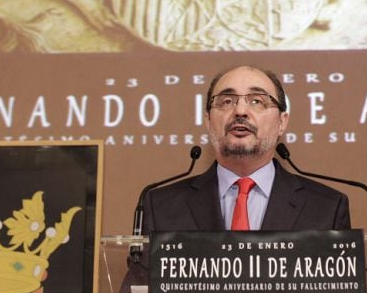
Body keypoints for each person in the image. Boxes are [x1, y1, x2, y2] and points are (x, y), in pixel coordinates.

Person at [142, 64, 351, 233]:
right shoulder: (161, 207)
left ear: (281, 122)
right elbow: (138, 285)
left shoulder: (326, 207)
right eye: (226, 101)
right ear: (207, 121)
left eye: (257, 101)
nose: (240, 111)